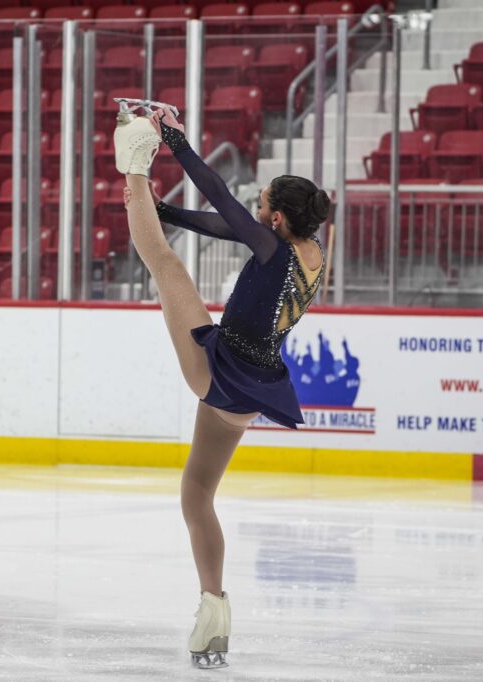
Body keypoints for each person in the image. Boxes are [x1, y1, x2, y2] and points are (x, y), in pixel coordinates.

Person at [114, 104, 329, 669]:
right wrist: (165, 211)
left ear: (277, 219)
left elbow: (222, 202)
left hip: (221, 367)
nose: (255, 211)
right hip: (253, 390)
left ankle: (132, 160)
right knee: (197, 495)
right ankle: (214, 611)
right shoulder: (310, 255)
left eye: (263, 207)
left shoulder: (271, 248)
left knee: (164, 264)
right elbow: (227, 223)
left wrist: (175, 144)